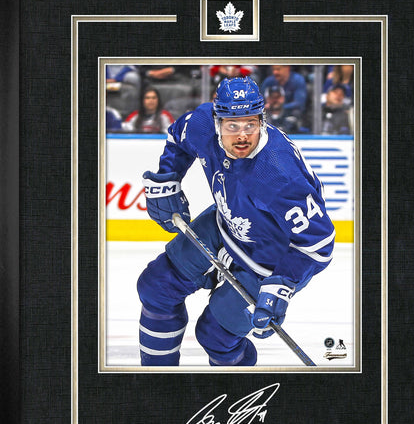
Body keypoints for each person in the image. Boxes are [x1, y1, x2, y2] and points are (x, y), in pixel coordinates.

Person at [137, 77, 335, 366]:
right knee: (157, 286)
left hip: (269, 262)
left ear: (262, 121)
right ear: (217, 121)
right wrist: (168, 178)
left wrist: (282, 284)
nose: (242, 136)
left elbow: (319, 245)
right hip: (227, 225)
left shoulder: (279, 174)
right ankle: (156, 378)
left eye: (250, 125)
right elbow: (179, 137)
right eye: (232, 126)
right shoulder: (202, 123)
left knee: (215, 336)